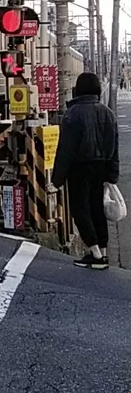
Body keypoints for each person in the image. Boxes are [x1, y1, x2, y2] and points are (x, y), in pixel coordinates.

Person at [52, 72, 119, 270]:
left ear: (78, 90)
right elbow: (114, 147)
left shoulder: (73, 114)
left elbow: (66, 150)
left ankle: (95, 254)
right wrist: (112, 175)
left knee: (80, 209)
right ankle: (103, 253)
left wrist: (57, 179)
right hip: (101, 167)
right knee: (97, 209)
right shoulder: (107, 113)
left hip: (79, 168)